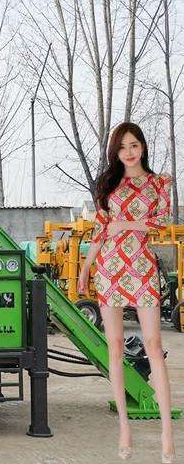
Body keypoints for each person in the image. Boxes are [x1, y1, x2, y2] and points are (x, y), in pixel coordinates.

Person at [78, 122, 176, 463]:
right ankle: (124, 428)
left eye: (134, 145)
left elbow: (163, 221)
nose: (129, 152)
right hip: (110, 269)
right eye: (122, 147)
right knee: (115, 347)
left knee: (153, 344)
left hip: (142, 267)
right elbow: (101, 230)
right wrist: (86, 267)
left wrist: (127, 224)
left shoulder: (159, 183)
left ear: (143, 147)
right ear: (115, 152)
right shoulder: (108, 185)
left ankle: (167, 433)